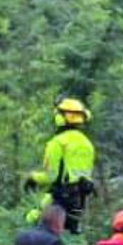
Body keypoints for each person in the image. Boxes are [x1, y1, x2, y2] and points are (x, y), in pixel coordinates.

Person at [25, 97, 95, 234]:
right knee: (73, 237)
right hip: (80, 201)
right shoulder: (87, 144)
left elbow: (51, 176)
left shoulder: (57, 143)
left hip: (60, 199)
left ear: (61, 117)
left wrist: (32, 178)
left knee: (31, 220)